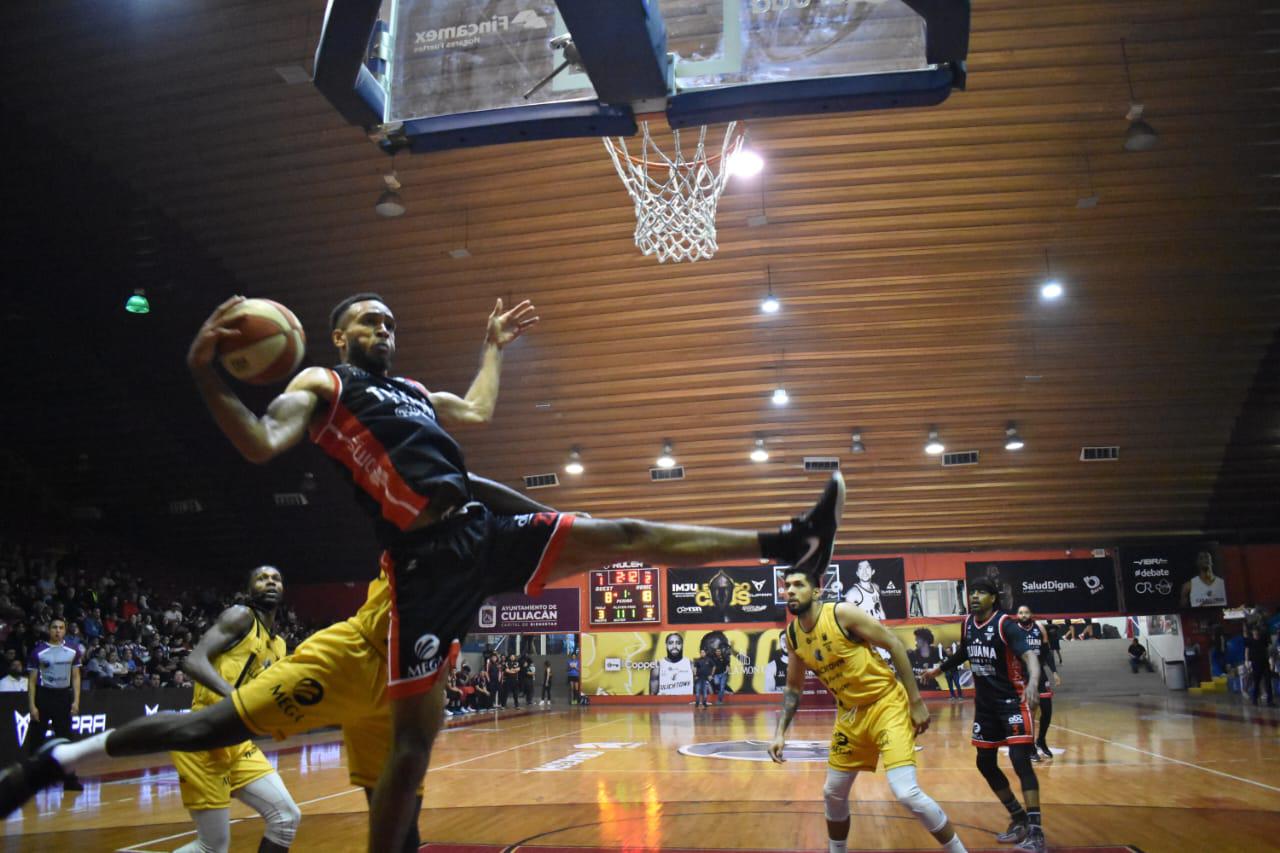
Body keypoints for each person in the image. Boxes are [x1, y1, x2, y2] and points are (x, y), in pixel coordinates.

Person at [151, 292, 840, 851]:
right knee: (413, 745)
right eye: (369, 320)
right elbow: (260, 440)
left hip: (479, 532)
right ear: (338, 334)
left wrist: (491, 347)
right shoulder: (324, 383)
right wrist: (203, 369)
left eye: (391, 320)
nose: (384, 329)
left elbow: (476, 409)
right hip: (423, 563)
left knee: (619, 532)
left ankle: (789, 541)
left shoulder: (416, 391)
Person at [769, 568, 967, 853]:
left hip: (886, 704)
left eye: (798, 584)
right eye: (787, 585)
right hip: (850, 716)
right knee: (832, 793)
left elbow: (895, 643)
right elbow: (793, 689)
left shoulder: (842, 614)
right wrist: (779, 733)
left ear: (816, 591)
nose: (790, 590)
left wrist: (916, 700)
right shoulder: (792, 635)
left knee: (906, 793)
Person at [169, 565, 300, 852]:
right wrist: (236, 697)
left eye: (276, 578)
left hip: (237, 741)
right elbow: (194, 661)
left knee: (286, 817)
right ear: (250, 588)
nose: (270, 582)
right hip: (205, 736)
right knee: (212, 847)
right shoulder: (241, 617)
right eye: (262, 578)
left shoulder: (279, 644)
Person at [924, 579, 1044, 852]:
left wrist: (1034, 682)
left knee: (1019, 760)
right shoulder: (968, 623)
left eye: (981, 592)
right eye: (972, 592)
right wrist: (939, 670)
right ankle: (1019, 818)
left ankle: (1036, 832)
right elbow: (965, 651)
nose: (974, 596)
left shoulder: (1006, 625)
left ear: (993, 598)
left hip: (1013, 702)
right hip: (986, 707)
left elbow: (1030, 656)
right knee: (984, 763)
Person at [24, 618, 83, 792]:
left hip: (63, 696)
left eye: (61, 628)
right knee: (36, 741)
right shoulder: (38, 652)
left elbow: (76, 677)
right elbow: (32, 682)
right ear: (49, 630)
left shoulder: (73, 650)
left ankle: (70, 780)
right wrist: (32, 706)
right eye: (54, 628)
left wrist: (76, 701)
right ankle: (32, 780)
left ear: (65, 630)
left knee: (66, 741)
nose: (57, 631)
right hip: (43, 696)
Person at [1015, 606, 1061, 763]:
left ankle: (1041, 740)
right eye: (1020, 613)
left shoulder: (1040, 627)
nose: (1023, 615)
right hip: (1024, 674)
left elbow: (1046, 652)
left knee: (1047, 711)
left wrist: (1054, 672)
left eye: (1026, 612)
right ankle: (1030, 748)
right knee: (1031, 713)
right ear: (1017, 615)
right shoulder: (1014, 630)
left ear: (1031, 614)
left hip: (1040, 673)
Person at [1244, 626, 1275, 707]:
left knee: (1268, 682)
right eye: (1254, 631)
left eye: (1257, 631)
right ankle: (1254, 699)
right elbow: (1247, 650)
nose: (1256, 633)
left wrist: (1270, 660)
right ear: (1252, 632)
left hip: (1265, 663)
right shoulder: (1249, 640)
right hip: (1255, 663)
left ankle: (1270, 701)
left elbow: (1267, 649)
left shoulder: (1263, 639)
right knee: (1256, 682)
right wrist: (1247, 661)